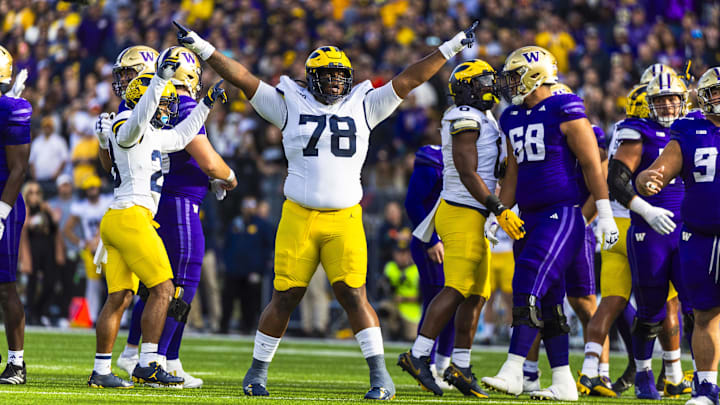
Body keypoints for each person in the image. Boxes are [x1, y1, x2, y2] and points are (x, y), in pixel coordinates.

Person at [174, 18, 481, 400]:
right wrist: (204, 48)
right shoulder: (287, 103)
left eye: (341, 75)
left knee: (355, 295)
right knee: (285, 295)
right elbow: (243, 77)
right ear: (312, 78)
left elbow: (409, 79)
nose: (336, 82)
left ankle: (379, 375)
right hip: (299, 215)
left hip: (345, 218)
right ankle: (257, 370)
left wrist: (450, 47)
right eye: (328, 76)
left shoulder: (365, 104)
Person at [481, 46, 618, 401]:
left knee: (527, 279)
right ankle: (562, 380)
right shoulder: (512, 116)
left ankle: (513, 369)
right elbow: (512, 173)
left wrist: (603, 213)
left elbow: (592, 164)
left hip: (563, 212)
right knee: (550, 303)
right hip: (530, 216)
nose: (509, 84)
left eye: (514, 76)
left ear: (535, 73)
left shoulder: (565, 107)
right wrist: (500, 211)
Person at [87, 49, 230, 389]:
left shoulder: (151, 133)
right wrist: (162, 81)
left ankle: (101, 371)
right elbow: (139, 119)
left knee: (120, 296)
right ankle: (149, 362)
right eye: (163, 104)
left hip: (120, 219)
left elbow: (182, 136)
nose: (167, 110)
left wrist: (207, 103)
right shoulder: (127, 125)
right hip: (132, 218)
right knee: (163, 288)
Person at [399, 59, 523, 398]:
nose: (491, 87)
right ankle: (418, 354)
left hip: (477, 213)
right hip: (460, 211)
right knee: (455, 288)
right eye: (484, 82)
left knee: (477, 294)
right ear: (468, 88)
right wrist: (498, 207)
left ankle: (460, 365)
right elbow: (468, 172)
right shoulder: (462, 116)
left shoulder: (486, 117)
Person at [636, 66, 720, 405]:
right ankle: (707, 389)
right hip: (700, 235)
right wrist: (648, 179)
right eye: (713, 91)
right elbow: (659, 168)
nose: (718, 97)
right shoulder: (688, 128)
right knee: (705, 314)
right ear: (701, 97)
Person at [605, 72, 691, 400]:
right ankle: (642, 375)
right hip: (649, 231)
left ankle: (699, 377)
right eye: (661, 98)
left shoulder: (693, 129)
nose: (668, 105)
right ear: (649, 101)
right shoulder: (637, 129)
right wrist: (645, 210)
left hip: (687, 230)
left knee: (699, 307)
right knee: (651, 311)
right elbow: (617, 179)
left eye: (674, 98)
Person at [403, 143, 454, 387]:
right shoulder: (435, 157)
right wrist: (431, 239)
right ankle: (426, 364)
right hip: (432, 242)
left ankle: (443, 366)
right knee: (438, 303)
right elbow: (413, 202)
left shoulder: (480, 153)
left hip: (456, 240)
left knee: (454, 303)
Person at [0, 45, 31, 384]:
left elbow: (19, 169)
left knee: (5, 287)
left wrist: (1, 213)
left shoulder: (13, 108)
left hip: (3, 201)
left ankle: (17, 365)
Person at [62, 175, 112, 324]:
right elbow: (67, 229)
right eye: (89, 188)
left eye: (94, 187)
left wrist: (98, 238)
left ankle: (119, 319)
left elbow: (107, 222)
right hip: (90, 250)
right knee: (93, 285)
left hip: (108, 246)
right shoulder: (81, 207)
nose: (92, 191)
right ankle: (92, 318)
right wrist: (83, 243)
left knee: (113, 282)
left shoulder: (107, 201)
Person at [221, 195, 274, 335]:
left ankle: (247, 327)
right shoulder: (235, 223)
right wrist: (226, 262)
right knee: (228, 299)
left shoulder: (261, 225)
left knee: (249, 300)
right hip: (234, 268)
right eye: (246, 205)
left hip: (252, 270)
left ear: (255, 208)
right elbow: (227, 243)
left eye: (251, 205)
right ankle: (224, 326)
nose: (248, 209)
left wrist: (261, 267)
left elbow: (268, 246)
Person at [381, 239, 421, 341]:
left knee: (411, 338)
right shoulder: (390, 267)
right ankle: (390, 332)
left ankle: (402, 333)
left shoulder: (416, 270)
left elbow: (422, 296)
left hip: (412, 309)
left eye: (404, 253)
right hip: (394, 305)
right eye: (399, 253)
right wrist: (386, 287)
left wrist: (403, 299)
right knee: (384, 307)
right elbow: (383, 290)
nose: (401, 256)